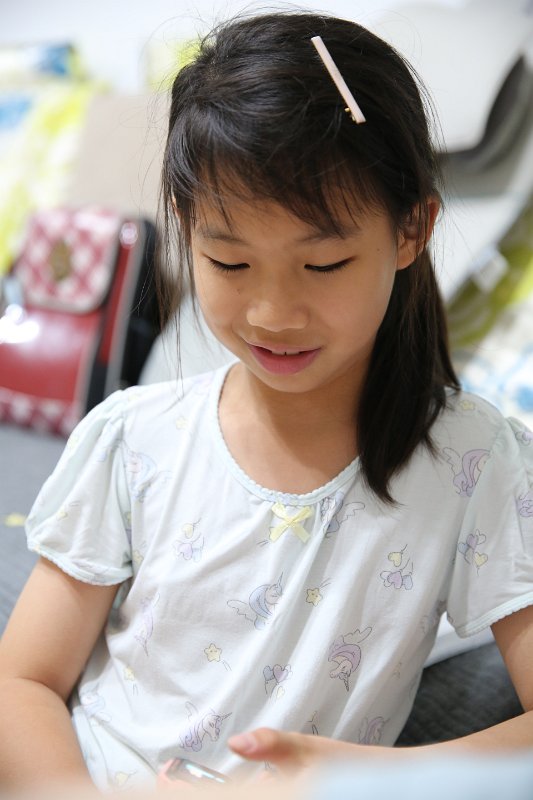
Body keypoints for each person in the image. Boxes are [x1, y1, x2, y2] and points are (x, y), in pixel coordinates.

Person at [1, 10, 532, 794]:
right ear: (185, 228)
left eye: (323, 265)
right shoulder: (132, 439)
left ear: (411, 229)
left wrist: (347, 777)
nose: (272, 314)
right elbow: (23, 681)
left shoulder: (473, 463)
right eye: (229, 262)